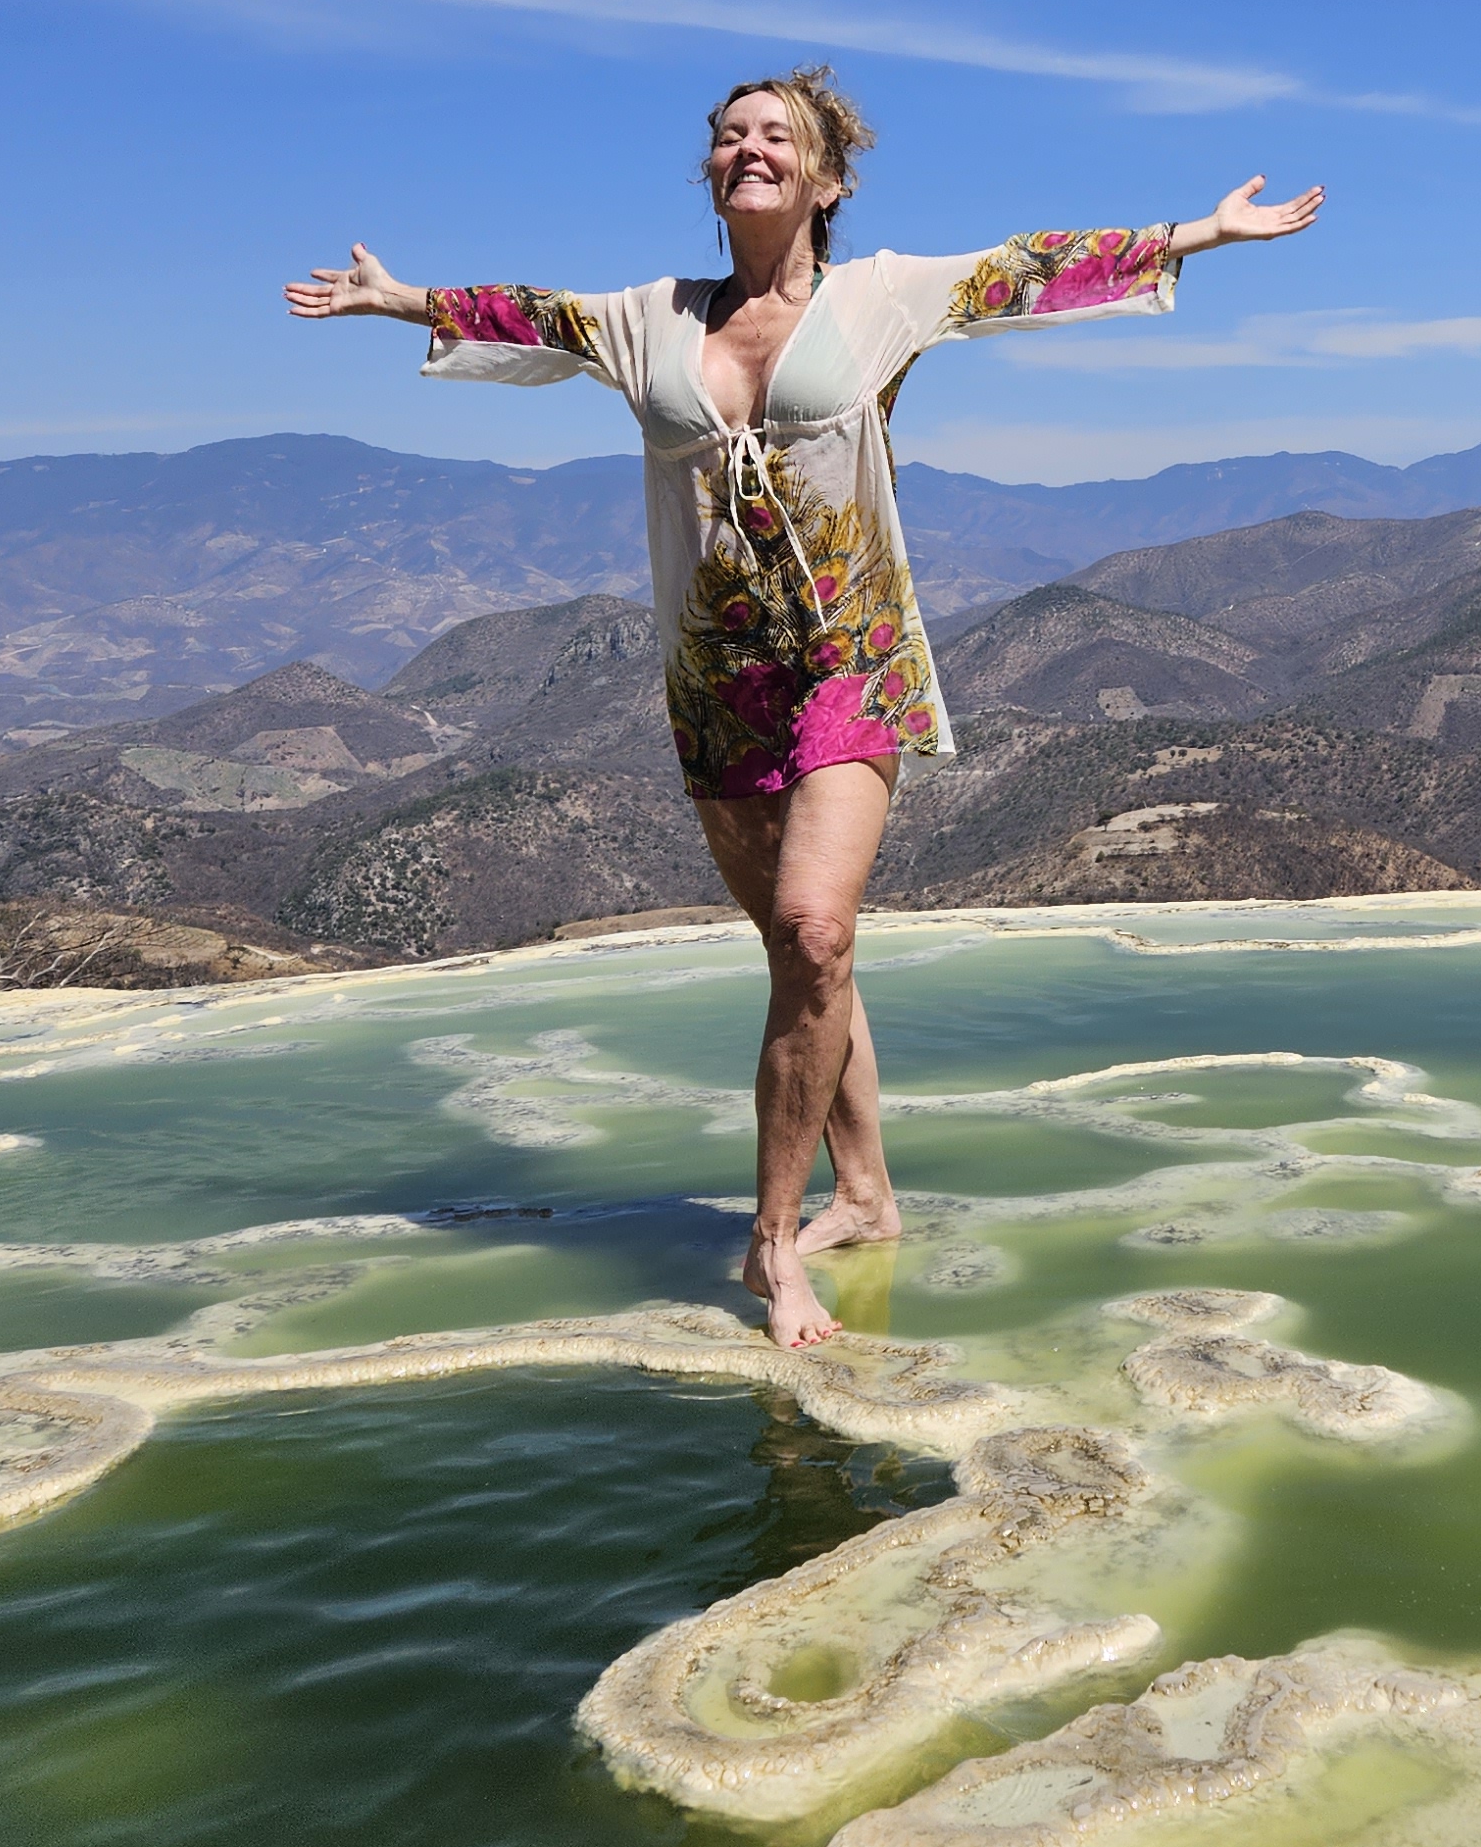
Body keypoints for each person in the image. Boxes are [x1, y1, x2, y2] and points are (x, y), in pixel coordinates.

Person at [283, 67, 1324, 1347]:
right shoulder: (647, 317)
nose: (748, 149)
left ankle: (773, 1246)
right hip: (717, 677)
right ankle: (869, 1193)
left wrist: (1194, 235)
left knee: (814, 929)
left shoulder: (879, 295)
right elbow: (531, 315)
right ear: (710, 177)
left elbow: (1028, 268)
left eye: (777, 136)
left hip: (853, 658)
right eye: (728, 138)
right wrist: (401, 302)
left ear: (825, 178)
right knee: (802, 954)